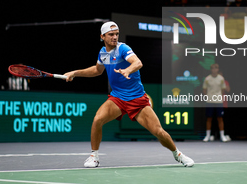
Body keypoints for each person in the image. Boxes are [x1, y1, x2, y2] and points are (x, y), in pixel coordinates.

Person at [63, 22, 194, 168]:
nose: (115, 37)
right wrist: (75, 73)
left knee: (158, 131)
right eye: (111, 34)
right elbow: (97, 70)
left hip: (137, 98)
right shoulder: (103, 53)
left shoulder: (123, 48)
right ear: (102, 36)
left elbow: (137, 62)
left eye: (117, 34)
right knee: (97, 119)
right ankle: (94, 156)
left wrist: (128, 70)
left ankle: (178, 155)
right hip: (117, 98)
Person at [202, 63, 228, 142]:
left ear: (218, 69)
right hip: (209, 101)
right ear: (211, 70)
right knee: (209, 118)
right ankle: (207, 136)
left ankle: (222, 136)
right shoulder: (207, 79)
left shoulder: (221, 78)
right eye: (213, 68)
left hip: (218, 101)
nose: (214, 70)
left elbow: (223, 90)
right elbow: (204, 90)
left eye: (216, 68)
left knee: (220, 118)